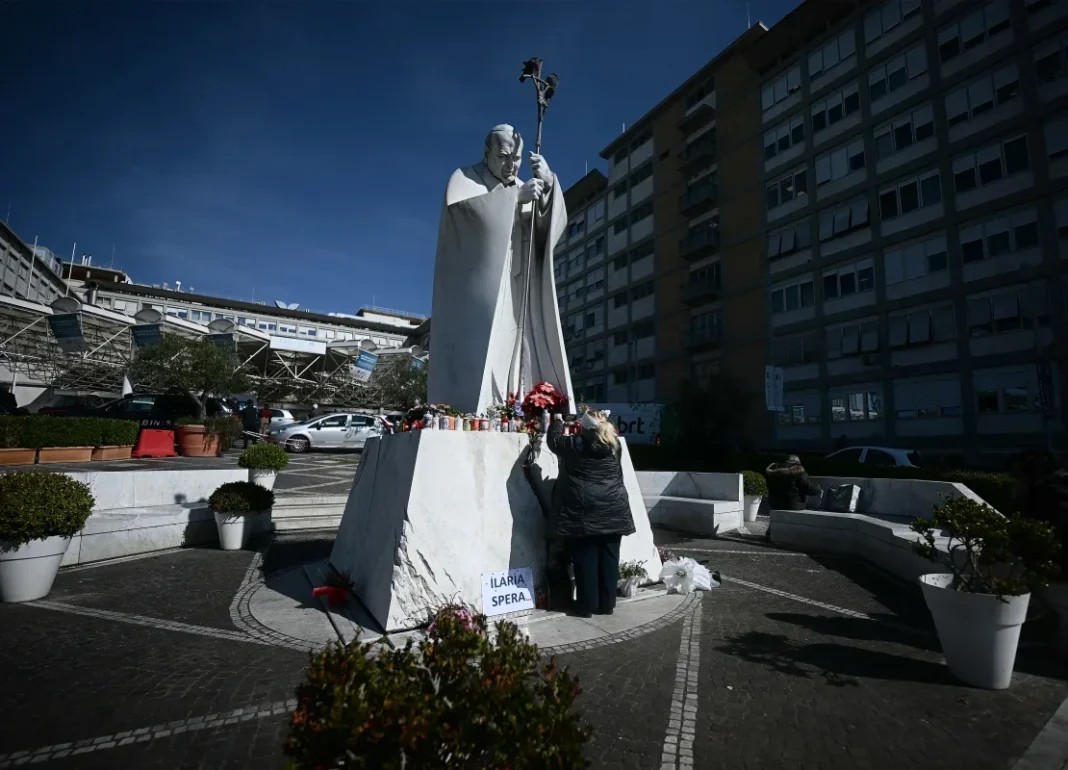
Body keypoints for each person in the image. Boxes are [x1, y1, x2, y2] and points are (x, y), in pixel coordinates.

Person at [546, 409, 634, 618]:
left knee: (585, 560)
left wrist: (558, 420)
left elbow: (553, 441)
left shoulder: (576, 444)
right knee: (609, 559)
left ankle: (586, 606)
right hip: (614, 508)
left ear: (583, 427)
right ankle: (607, 604)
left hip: (584, 511)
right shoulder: (615, 444)